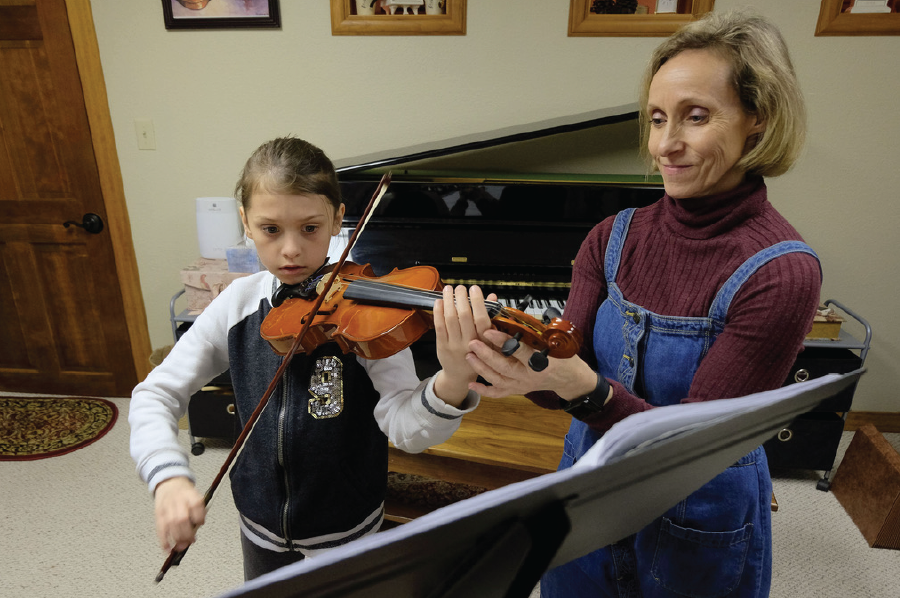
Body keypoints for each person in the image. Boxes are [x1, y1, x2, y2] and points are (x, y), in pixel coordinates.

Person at [462, 10, 821, 598]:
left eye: (695, 117)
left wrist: (586, 389)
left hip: (697, 513)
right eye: (657, 119)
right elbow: (562, 380)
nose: (664, 144)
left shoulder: (783, 273)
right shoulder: (609, 237)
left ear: (757, 121)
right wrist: (517, 369)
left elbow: (692, 453)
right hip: (588, 489)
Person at [129, 136, 493, 580]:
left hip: (349, 532)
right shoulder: (237, 305)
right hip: (259, 527)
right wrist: (167, 477)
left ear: (338, 218)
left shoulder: (365, 315)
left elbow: (406, 429)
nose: (290, 250)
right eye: (270, 229)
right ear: (245, 221)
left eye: (309, 228)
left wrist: (453, 379)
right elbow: (155, 393)